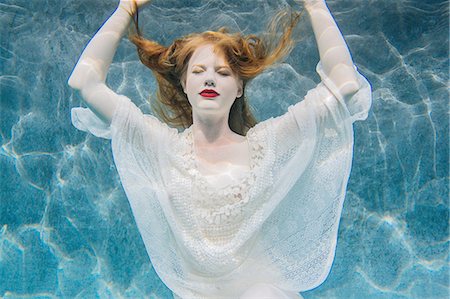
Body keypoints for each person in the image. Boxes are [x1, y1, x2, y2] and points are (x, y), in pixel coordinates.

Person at [68, 0, 372, 298]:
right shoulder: (163, 148)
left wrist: (315, 5)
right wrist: (126, 8)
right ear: (185, 84)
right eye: (198, 71)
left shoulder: (265, 146)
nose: (210, 78)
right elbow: (85, 81)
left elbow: (344, 83)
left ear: (239, 88)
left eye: (223, 72)